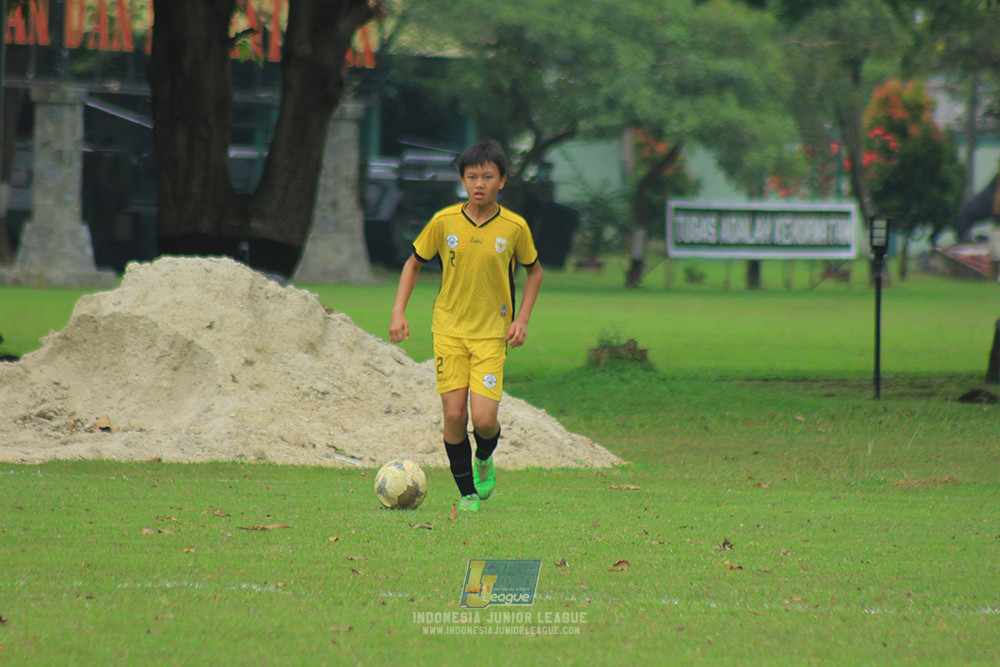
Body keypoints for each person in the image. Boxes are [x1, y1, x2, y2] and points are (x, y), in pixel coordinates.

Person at [389, 140, 543, 512]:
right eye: (472, 177)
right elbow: (413, 263)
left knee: (485, 420)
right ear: (462, 180)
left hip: (491, 334)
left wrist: (521, 319)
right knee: (455, 415)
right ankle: (467, 494)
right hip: (449, 331)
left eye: (487, 177)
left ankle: (484, 456)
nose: (479, 184)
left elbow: (534, 271)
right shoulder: (444, 222)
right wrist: (398, 312)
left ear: (501, 181)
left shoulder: (514, 227)